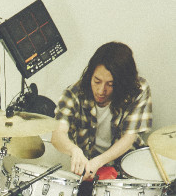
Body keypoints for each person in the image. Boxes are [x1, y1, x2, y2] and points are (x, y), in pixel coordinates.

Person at [51, 41, 152, 180]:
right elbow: (57, 135)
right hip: (91, 171)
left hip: (130, 169)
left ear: (122, 83)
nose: (101, 90)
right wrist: (74, 150)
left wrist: (99, 162)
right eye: (97, 81)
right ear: (90, 74)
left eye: (110, 84)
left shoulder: (138, 89)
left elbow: (129, 137)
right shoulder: (73, 94)